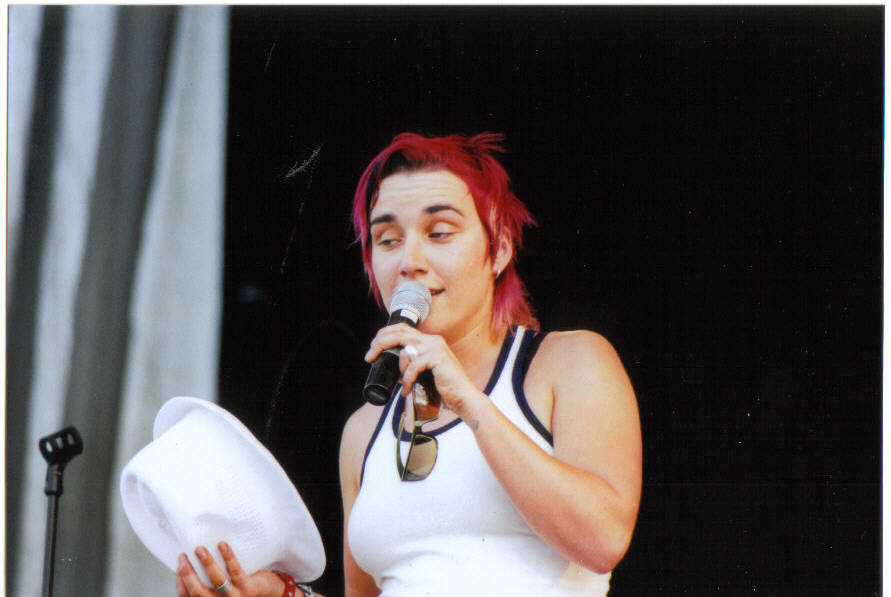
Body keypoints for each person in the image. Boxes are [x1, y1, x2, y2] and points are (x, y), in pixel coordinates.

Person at [175, 132, 642, 597]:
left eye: (439, 233)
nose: (409, 261)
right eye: (388, 239)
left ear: (499, 247)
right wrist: (282, 596)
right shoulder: (364, 430)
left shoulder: (568, 363)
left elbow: (602, 540)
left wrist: (469, 402)